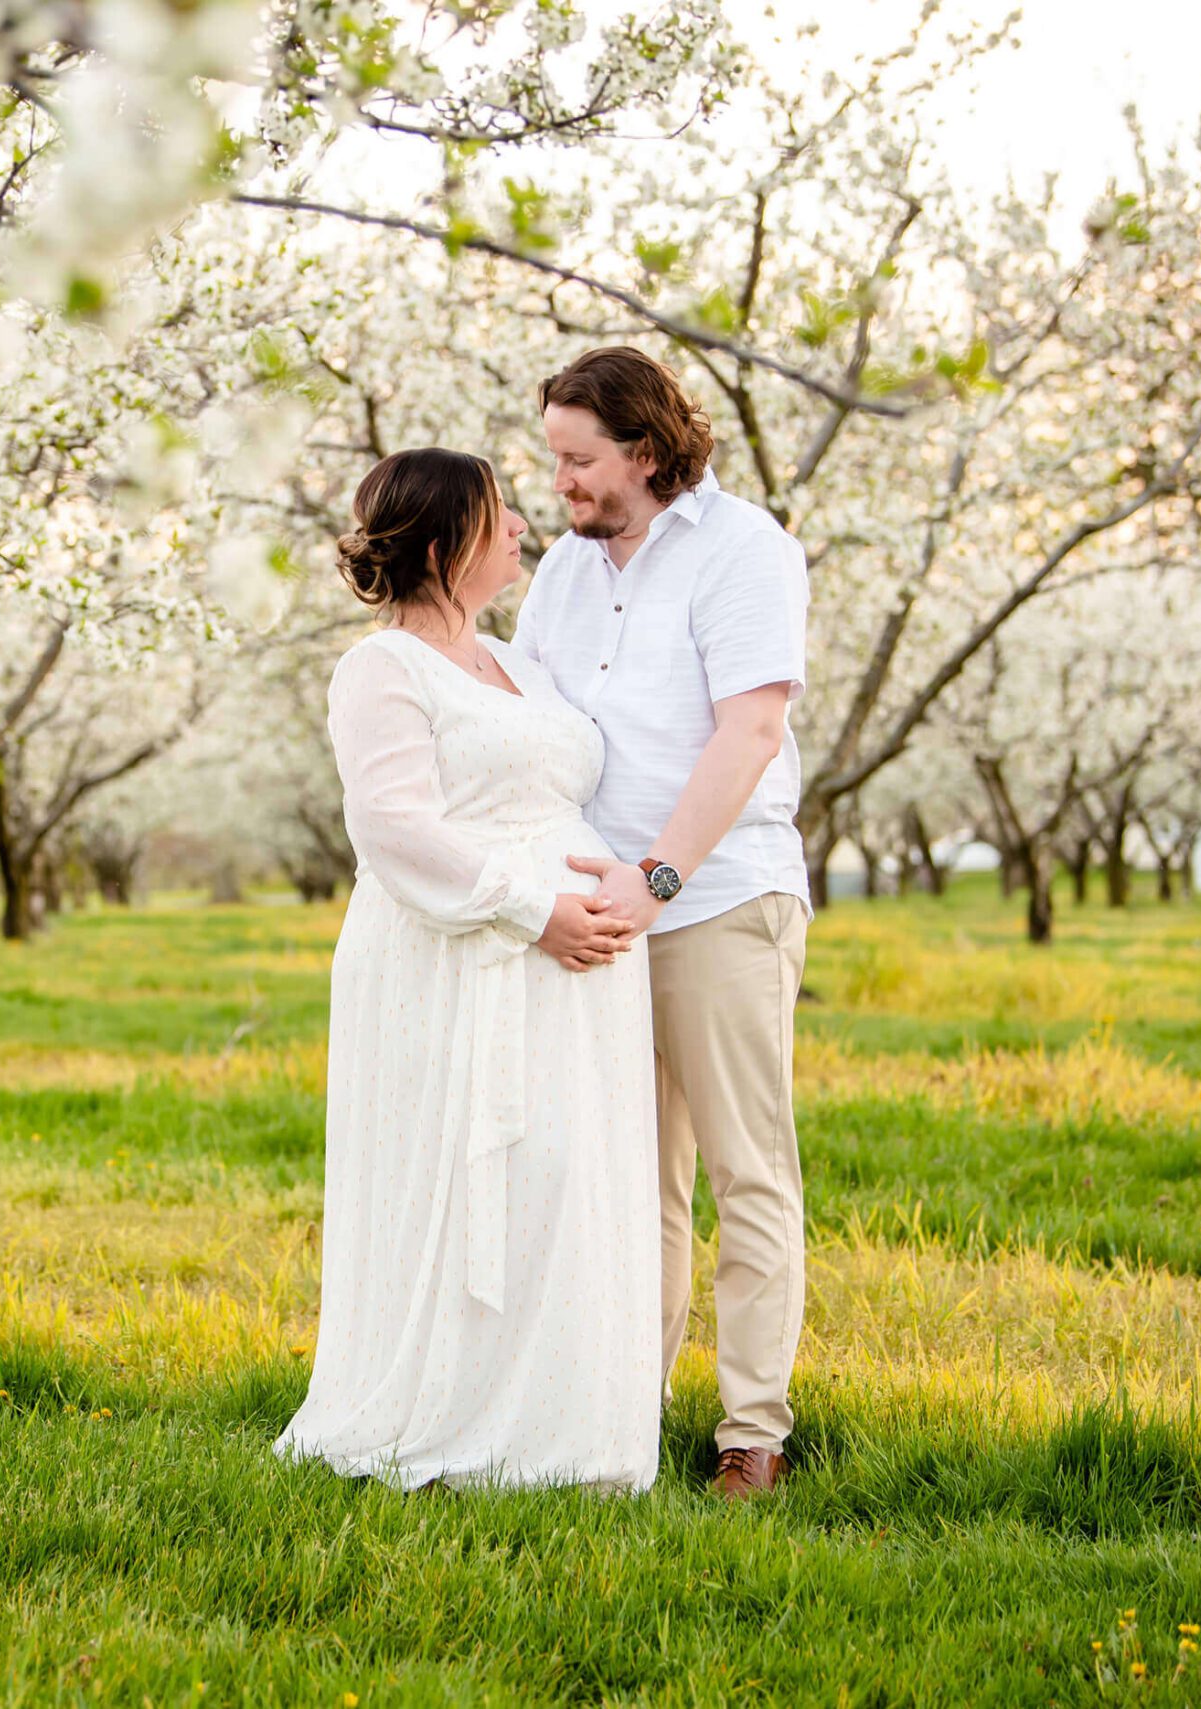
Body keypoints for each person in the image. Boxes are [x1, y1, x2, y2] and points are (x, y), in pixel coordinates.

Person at [273, 447, 659, 1494]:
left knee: (563, 1176)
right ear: (445, 544)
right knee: (477, 1172)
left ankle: (564, 1424)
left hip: (575, 970)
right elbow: (393, 827)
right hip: (457, 954)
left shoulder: (519, 663)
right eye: (503, 516)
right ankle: (446, 1412)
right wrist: (533, 910)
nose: (526, 528)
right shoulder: (380, 668)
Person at [513, 346, 812, 1500]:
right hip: (600, 912)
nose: (562, 486)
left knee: (747, 1173)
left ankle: (751, 1433)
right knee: (631, 1182)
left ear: (643, 449)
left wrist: (658, 877)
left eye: (579, 462)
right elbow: (533, 719)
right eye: (554, 460)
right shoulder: (566, 572)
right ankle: (622, 1413)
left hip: (718, 896)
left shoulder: (745, 552)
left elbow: (746, 733)